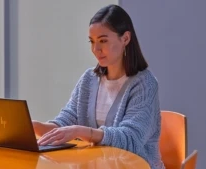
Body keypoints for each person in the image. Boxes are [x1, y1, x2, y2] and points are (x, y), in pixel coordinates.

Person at [32, 4, 165, 169]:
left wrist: (82, 132)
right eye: (92, 41)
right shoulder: (89, 79)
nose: (96, 49)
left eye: (103, 41)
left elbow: (131, 139)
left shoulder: (145, 84)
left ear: (125, 38)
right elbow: (66, 122)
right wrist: (35, 127)